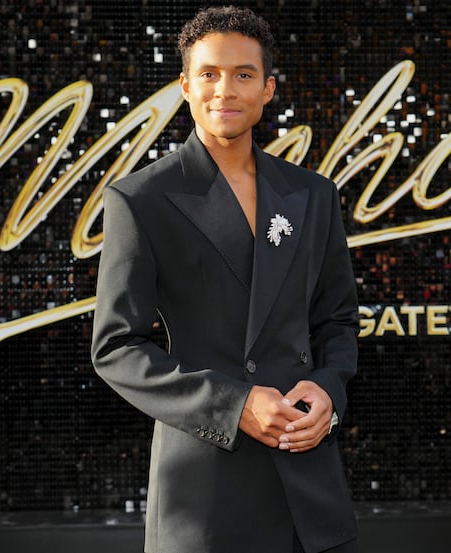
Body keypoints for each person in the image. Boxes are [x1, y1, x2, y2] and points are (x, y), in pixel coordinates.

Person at [90, 6, 359, 553]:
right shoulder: (141, 199)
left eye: (243, 74)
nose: (225, 90)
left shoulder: (313, 194)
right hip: (205, 488)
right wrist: (234, 406)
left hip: (308, 482)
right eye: (209, 73)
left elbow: (337, 320)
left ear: (268, 88)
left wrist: (328, 390)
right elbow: (116, 348)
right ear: (185, 86)